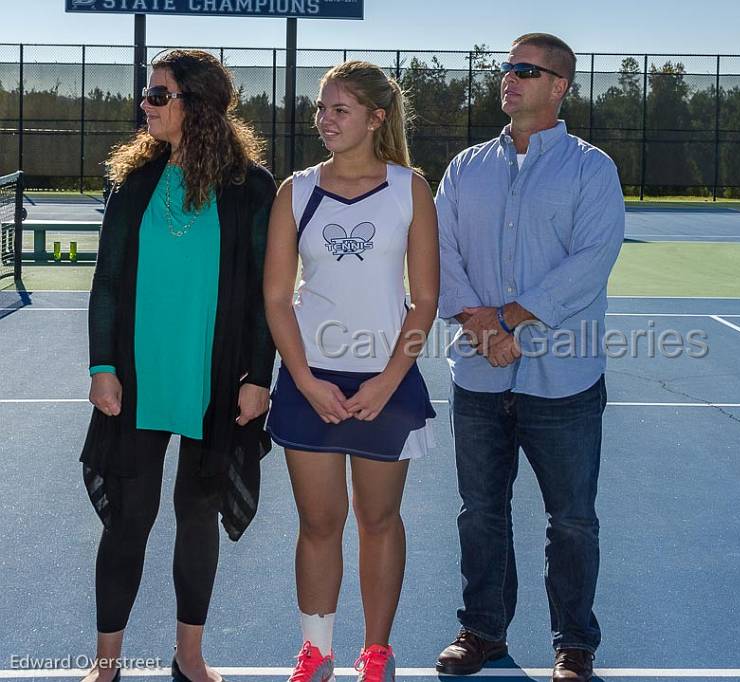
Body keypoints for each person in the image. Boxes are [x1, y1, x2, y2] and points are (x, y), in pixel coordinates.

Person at [80, 49, 277, 682]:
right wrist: (102, 365)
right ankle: (106, 662)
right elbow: (107, 280)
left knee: (197, 519)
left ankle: (189, 656)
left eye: (159, 95)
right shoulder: (132, 180)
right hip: (137, 381)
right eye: (148, 94)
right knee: (129, 522)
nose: (146, 104)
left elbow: (261, 297)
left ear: (196, 105)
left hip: (215, 384)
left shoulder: (250, 186)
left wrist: (258, 375)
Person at [433, 33, 625, 682]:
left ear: (559, 85)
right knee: (480, 515)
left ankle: (575, 645)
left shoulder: (590, 168)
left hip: (564, 380)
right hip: (479, 377)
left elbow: (591, 263)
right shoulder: (466, 167)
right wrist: (479, 326)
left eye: (525, 69)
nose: (509, 78)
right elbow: (440, 254)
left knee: (571, 521)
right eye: (506, 68)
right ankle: (482, 632)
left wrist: (509, 320)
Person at [263, 60, 439, 682]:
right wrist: (307, 381)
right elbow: (277, 299)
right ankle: (317, 651)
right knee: (318, 522)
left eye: (340, 109)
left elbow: (424, 299)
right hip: (311, 383)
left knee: (379, 520)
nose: (326, 120)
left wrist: (388, 380)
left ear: (375, 118)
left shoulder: (409, 188)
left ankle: (377, 651)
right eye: (322, 109)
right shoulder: (296, 190)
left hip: (386, 384)